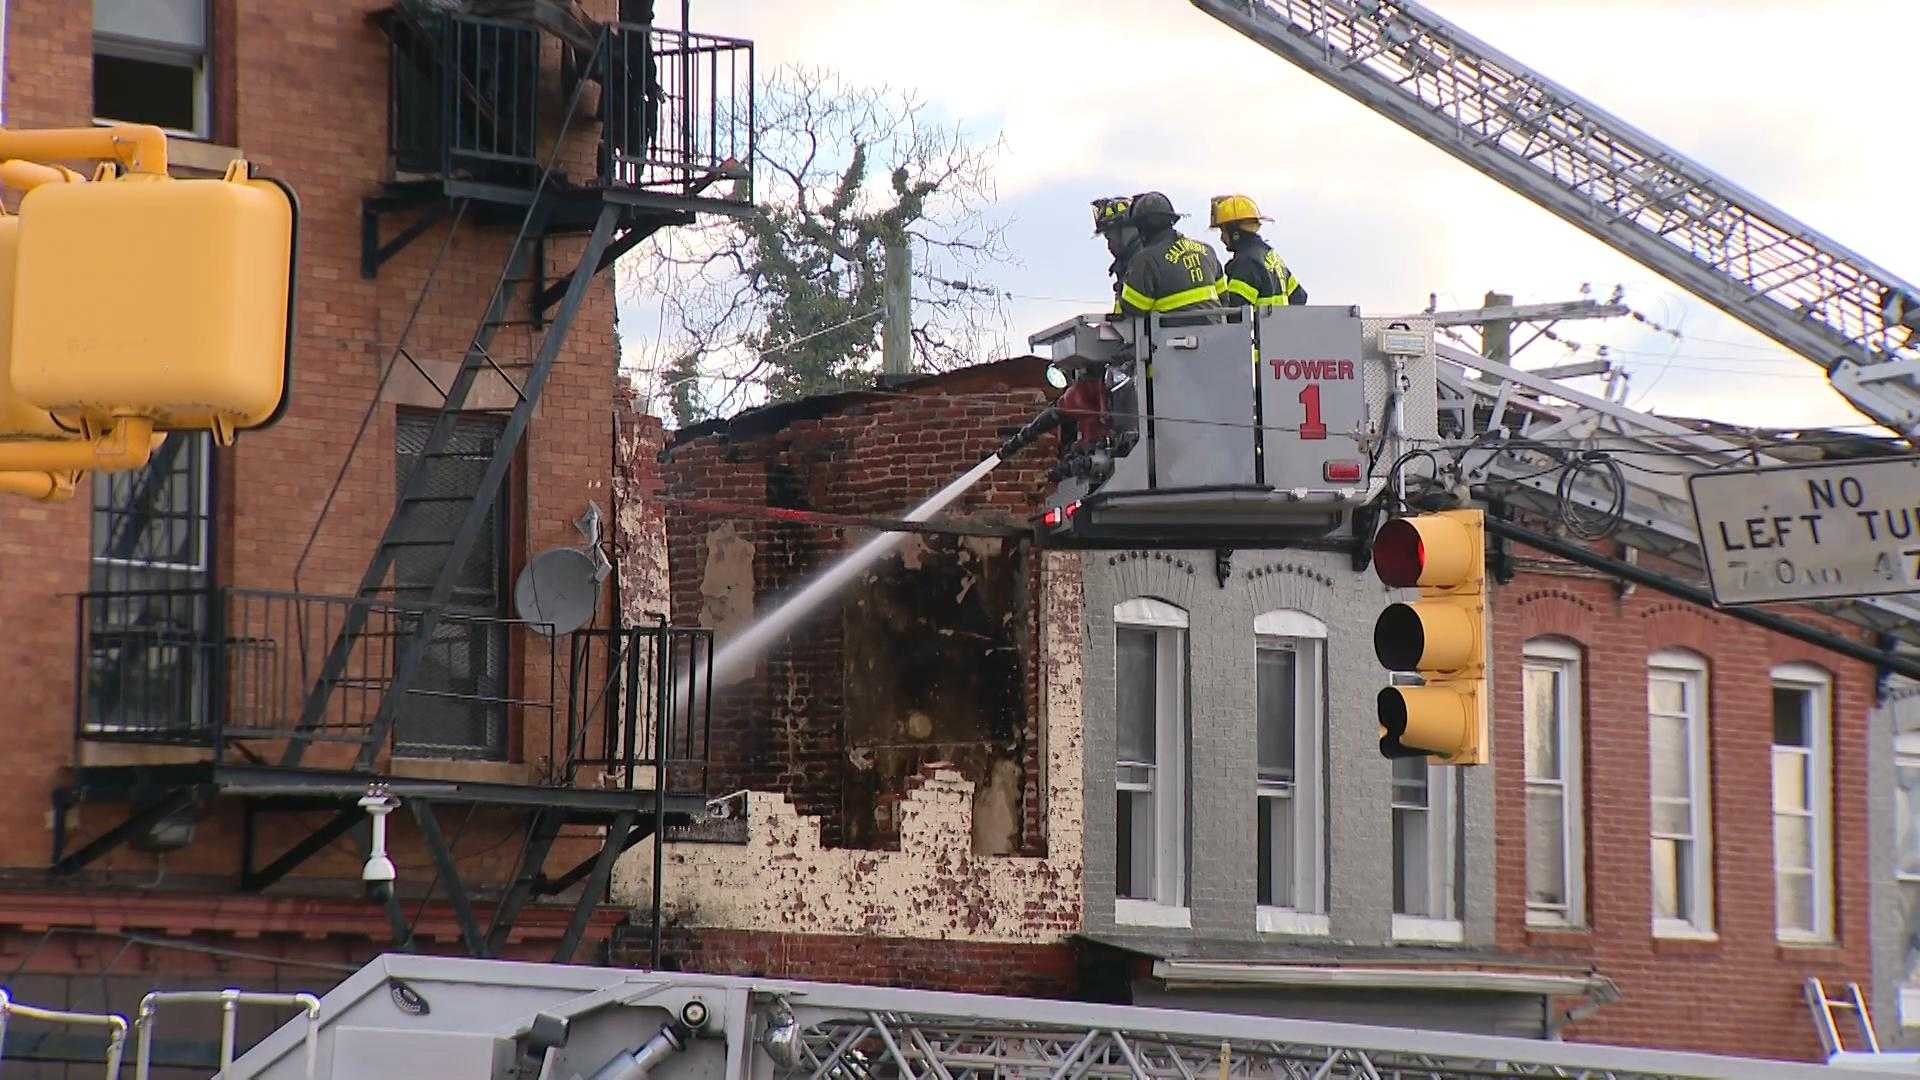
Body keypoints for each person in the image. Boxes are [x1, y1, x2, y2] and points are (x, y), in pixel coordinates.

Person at [1116, 192, 1223, 318]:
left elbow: (1133, 311)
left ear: (1141, 228)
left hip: (1169, 336)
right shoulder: (1207, 250)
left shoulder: (1145, 260)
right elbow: (1224, 299)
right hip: (1218, 334)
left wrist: (1122, 290)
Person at [1210, 194, 1306, 308]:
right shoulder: (1272, 256)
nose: (1222, 238)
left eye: (1223, 231)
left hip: (1260, 326)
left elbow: (1236, 314)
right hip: (1280, 325)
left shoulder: (1245, 263)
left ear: (1235, 232)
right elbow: (1300, 297)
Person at [1091, 195, 1138, 314]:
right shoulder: (1126, 265)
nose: (1109, 246)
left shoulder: (1141, 264)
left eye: (1110, 238)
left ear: (1126, 232)